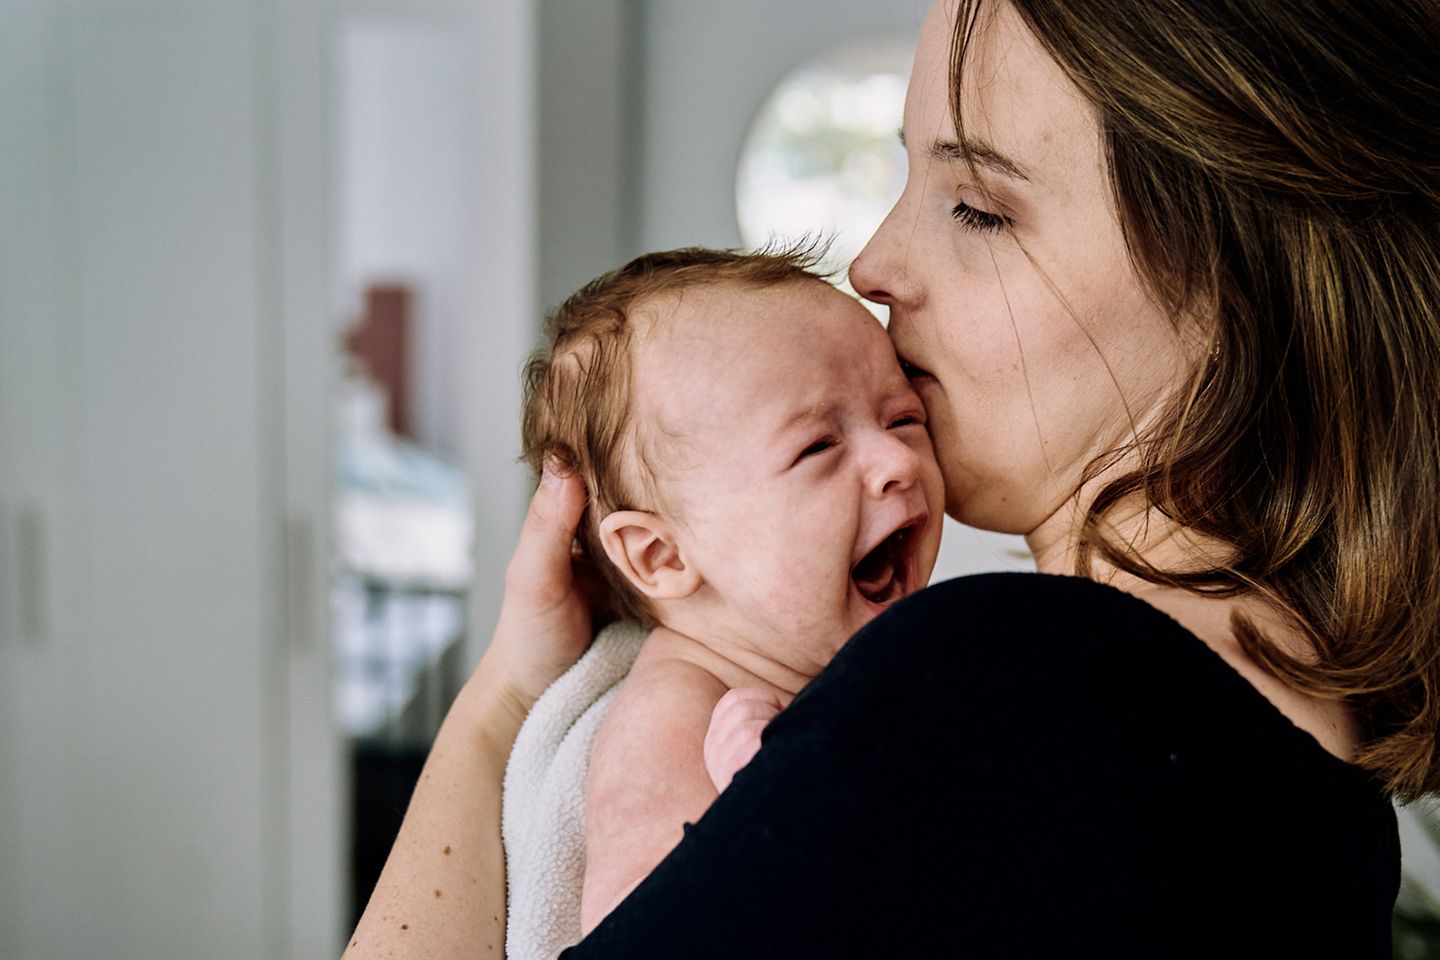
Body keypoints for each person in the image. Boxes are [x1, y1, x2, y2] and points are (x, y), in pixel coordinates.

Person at [344, 0, 1439, 956]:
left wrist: (499, 707)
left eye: (980, 207)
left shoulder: (987, 693)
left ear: (1241, 279)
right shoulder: (1338, 818)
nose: (871, 262)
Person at [512, 247, 945, 934]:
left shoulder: (857, 655)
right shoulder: (670, 725)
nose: (897, 461)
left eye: (902, 419)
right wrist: (777, 813)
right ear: (661, 555)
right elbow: (643, 941)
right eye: (816, 449)